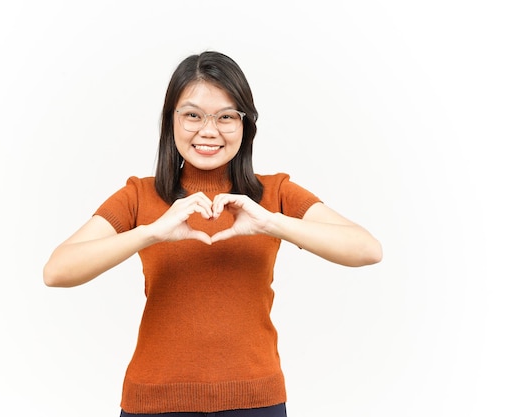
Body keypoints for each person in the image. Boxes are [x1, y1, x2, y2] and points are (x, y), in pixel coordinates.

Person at [43, 50, 382, 417]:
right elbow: (57, 271)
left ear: (245, 124)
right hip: (154, 401)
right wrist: (151, 233)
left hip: (256, 400)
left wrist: (271, 222)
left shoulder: (275, 193)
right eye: (192, 115)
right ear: (170, 121)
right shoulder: (140, 195)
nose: (208, 130)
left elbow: (366, 249)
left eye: (225, 117)